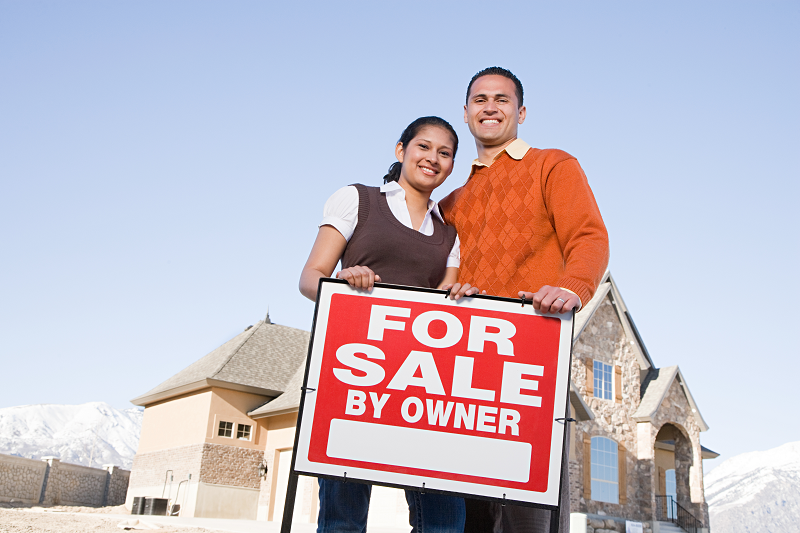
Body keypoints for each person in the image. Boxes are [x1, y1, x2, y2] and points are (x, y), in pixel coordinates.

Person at [439, 67, 610, 533]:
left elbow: (590, 237)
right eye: (479, 99)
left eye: (501, 99)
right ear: (468, 112)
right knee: (463, 510)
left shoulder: (553, 164)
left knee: (527, 513)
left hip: (530, 359)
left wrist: (572, 287)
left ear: (521, 111)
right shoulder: (451, 202)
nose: (490, 106)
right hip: (466, 365)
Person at [299, 116, 477, 533]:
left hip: (422, 383)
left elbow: (445, 303)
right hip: (356, 375)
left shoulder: (450, 234)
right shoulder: (356, 199)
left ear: (451, 166)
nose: (433, 158)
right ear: (401, 151)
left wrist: (465, 298)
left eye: (445, 153)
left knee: (443, 522)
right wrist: (340, 282)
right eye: (424, 147)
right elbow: (310, 277)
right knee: (343, 519)